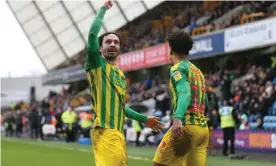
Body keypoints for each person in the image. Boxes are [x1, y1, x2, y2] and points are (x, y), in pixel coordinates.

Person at [84, 1, 163, 166]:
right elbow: (92, 35)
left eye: (116, 42)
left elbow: (121, 106)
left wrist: (144, 119)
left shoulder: (120, 74)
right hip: (105, 131)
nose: (112, 44)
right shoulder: (96, 64)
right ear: (100, 49)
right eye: (108, 42)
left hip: (119, 134)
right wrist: (103, 10)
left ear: (119, 49)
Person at [153, 31, 209, 166]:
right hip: (202, 131)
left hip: (185, 128)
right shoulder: (198, 71)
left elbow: (184, 93)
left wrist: (177, 118)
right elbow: (204, 101)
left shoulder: (177, 68)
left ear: (171, 50)